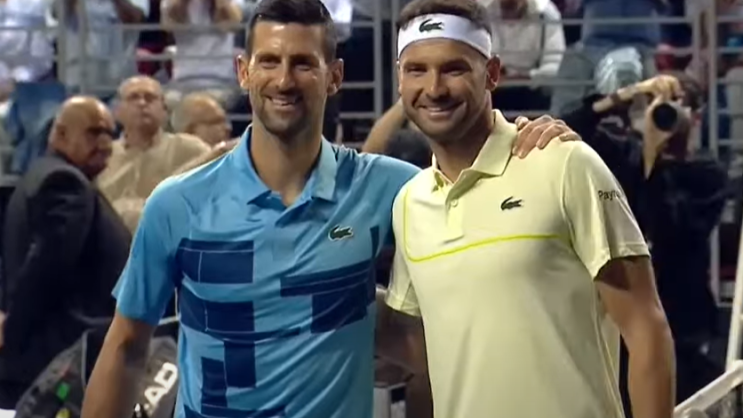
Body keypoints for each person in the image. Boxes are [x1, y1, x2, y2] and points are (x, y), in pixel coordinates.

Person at [80, 1, 577, 417]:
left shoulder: (389, 189)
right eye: (269, 61)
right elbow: (126, 348)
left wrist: (535, 142)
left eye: (303, 63)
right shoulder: (177, 204)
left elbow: (487, 201)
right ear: (243, 71)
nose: (284, 80)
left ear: (334, 76)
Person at [384, 2, 675, 418]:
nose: (434, 88)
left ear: (492, 73)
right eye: (417, 70)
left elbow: (646, 328)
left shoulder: (564, 164)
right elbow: (423, 359)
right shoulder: (409, 203)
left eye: (454, 69)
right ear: (399, 78)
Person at [551, 72, 729, 405]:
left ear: (696, 116)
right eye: (655, 104)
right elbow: (565, 129)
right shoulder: (624, 156)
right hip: (618, 323)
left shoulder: (707, 174)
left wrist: (654, 158)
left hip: (683, 324)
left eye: (677, 104)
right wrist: (624, 95)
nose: (663, 112)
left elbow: (671, 226)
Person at [0, 96, 131, 407]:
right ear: (59, 134)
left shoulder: (44, 174)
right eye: (94, 132)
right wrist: (12, 330)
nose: (106, 143)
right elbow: (44, 271)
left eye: (110, 133)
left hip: (51, 354)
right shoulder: (65, 182)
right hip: (64, 359)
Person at [96, 76, 210, 232]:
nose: (142, 103)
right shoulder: (104, 154)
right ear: (118, 111)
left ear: (164, 110)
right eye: (133, 98)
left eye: (150, 98)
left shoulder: (190, 149)